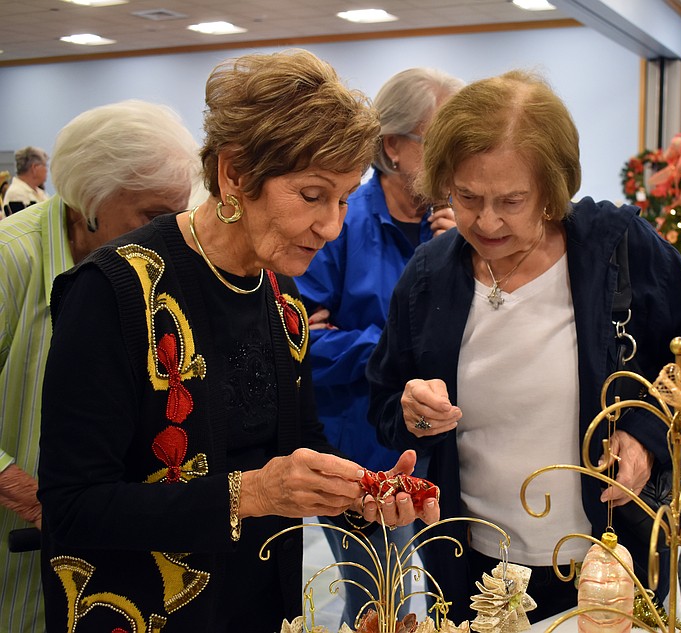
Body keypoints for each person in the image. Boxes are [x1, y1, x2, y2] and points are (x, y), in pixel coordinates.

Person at [37, 50, 439, 633]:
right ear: (234, 174)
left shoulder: (281, 297)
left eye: (346, 198)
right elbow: (72, 507)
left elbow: (304, 443)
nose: (332, 226)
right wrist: (250, 495)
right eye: (312, 195)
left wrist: (359, 492)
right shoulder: (115, 291)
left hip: (260, 606)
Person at [367, 70, 681, 624]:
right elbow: (385, 403)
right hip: (472, 572)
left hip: (607, 566)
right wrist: (413, 414)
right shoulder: (429, 275)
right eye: (467, 197)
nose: (486, 220)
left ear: (551, 187)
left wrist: (647, 435)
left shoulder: (615, 248)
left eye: (511, 200)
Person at [0, 99, 201, 633]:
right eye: (153, 217)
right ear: (89, 200)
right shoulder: (10, 260)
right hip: (16, 552)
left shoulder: (151, 270)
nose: (170, 234)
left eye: (179, 214)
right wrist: (36, 498)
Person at [296, 67, 463, 627]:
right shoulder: (341, 223)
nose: (454, 158)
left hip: (449, 451)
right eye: (439, 141)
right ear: (393, 146)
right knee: (379, 606)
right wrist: (396, 349)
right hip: (361, 452)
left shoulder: (458, 229)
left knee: (455, 599)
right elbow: (302, 342)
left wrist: (456, 260)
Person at [2, 146, 49, 217]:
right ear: (34, 168)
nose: (46, 170)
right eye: (45, 165)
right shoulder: (16, 193)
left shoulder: (39, 192)